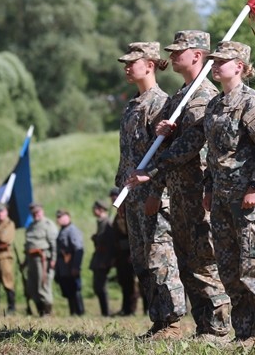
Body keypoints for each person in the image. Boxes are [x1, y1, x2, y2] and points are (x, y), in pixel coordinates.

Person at [127, 31, 231, 339]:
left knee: (202, 260)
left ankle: (217, 327)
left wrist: (156, 169)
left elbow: (192, 144)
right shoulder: (181, 95)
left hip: (197, 191)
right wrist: (168, 131)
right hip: (179, 190)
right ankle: (203, 327)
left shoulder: (203, 95)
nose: (171, 56)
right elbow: (173, 141)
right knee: (187, 261)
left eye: (178, 52)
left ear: (197, 55)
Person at [203, 41, 255, 347]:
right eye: (213, 60)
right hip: (223, 201)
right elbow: (213, 155)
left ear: (239, 66)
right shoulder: (214, 105)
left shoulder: (252, 103)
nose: (214, 65)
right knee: (229, 269)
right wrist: (209, 189)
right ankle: (244, 332)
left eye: (221, 60)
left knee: (254, 267)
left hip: (252, 204)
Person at [117, 41, 186, 339]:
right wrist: (119, 189)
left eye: (133, 61)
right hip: (132, 195)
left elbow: (164, 157)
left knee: (160, 258)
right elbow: (128, 155)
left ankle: (172, 322)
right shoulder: (134, 104)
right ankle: (158, 321)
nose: (127, 67)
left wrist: (157, 192)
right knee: (142, 260)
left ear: (150, 64)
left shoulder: (161, 104)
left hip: (153, 194)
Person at [109, 187, 142, 316]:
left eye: (115, 197)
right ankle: (126, 308)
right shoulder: (118, 214)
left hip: (129, 252)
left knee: (134, 283)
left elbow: (131, 234)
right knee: (124, 282)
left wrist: (132, 252)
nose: (113, 199)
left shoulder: (130, 211)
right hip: (121, 255)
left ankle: (132, 309)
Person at [24, 202, 58, 316]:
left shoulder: (48, 225)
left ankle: (47, 311)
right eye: (33, 213)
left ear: (42, 211)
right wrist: (25, 261)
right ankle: (40, 311)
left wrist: (53, 260)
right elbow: (28, 245)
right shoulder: (31, 226)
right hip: (31, 259)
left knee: (43, 286)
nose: (35, 214)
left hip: (42, 260)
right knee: (32, 286)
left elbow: (54, 244)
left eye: (37, 212)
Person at [55, 209, 85, 316]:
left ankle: (79, 312)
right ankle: (73, 312)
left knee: (75, 289)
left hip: (71, 265)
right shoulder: (63, 230)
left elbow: (78, 250)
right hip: (63, 266)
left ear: (68, 217)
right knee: (68, 290)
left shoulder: (72, 231)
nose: (59, 219)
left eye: (62, 216)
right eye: (58, 217)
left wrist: (75, 266)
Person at [89, 199, 114, 317]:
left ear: (100, 209)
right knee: (97, 286)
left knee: (100, 286)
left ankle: (106, 312)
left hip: (103, 258)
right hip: (99, 257)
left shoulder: (106, 223)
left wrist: (106, 261)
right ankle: (104, 311)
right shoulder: (100, 222)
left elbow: (109, 244)